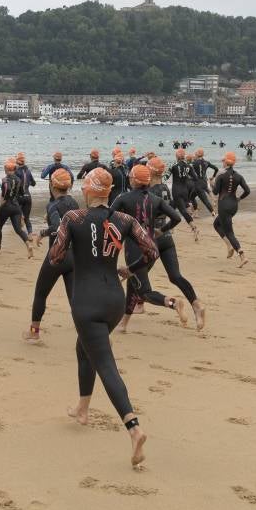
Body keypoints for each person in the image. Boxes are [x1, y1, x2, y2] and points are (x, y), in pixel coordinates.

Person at [48, 167, 157, 469]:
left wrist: (74, 249)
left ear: (87, 190)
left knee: (104, 362)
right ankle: (82, 408)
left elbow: (55, 258)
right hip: (114, 302)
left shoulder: (73, 219)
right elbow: (151, 251)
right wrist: (129, 270)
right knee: (84, 349)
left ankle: (134, 428)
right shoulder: (124, 220)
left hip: (86, 303)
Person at [111, 163, 189, 330]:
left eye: (131, 177)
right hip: (152, 248)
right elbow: (176, 218)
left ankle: (174, 303)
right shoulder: (156, 199)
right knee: (134, 281)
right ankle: (124, 323)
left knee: (144, 291)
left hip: (134, 248)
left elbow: (107, 219)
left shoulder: (123, 198)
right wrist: (161, 231)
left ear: (133, 179)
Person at [145, 156, 205, 329]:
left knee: (138, 277)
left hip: (153, 237)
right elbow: (171, 210)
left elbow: (147, 215)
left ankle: (128, 317)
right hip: (167, 238)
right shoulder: (165, 187)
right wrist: (164, 230)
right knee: (175, 276)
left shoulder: (151, 191)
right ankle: (196, 304)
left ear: (150, 171)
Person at [25, 167, 79, 342]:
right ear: (68, 186)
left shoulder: (53, 205)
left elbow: (57, 227)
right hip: (73, 256)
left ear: (52, 186)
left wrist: (41, 233)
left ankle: (34, 333)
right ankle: (87, 333)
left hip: (56, 256)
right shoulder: (74, 203)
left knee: (41, 293)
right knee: (74, 299)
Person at [211, 152, 250, 266]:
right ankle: (229, 246)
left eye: (223, 160)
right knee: (216, 224)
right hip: (234, 206)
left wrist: (211, 183)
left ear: (226, 162)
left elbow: (215, 192)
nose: (222, 162)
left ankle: (242, 255)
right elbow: (247, 191)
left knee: (229, 232)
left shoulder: (221, 176)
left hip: (224, 206)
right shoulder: (238, 176)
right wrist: (239, 198)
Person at [0, 159, 33, 257]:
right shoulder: (19, 179)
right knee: (18, 230)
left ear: (6, 170)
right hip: (16, 207)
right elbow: (22, 192)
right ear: (14, 170)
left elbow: (6, 190)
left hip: (6, 206)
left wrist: (3, 199)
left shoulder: (5, 180)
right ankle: (28, 244)